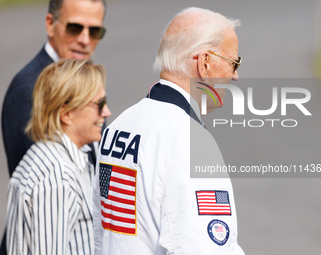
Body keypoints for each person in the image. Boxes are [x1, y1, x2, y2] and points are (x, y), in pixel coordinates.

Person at [93, 7, 244, 255]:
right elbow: (204, 249)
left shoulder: (118, 126)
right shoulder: (191, 141)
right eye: (233, 62)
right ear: (205, 63)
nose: (235, 75)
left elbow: (100, 233)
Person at [6, 59, 111, 255]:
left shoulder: (45, 156)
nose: (106, 112)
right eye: (99, 104)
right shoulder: (57, 176)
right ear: (66, 112)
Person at [2, 0, 106, 178]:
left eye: (95, 31)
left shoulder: (87, 79)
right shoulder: (28, 90)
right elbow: (37, 182)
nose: (85, 40)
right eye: (75, 28)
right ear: (50, 24)